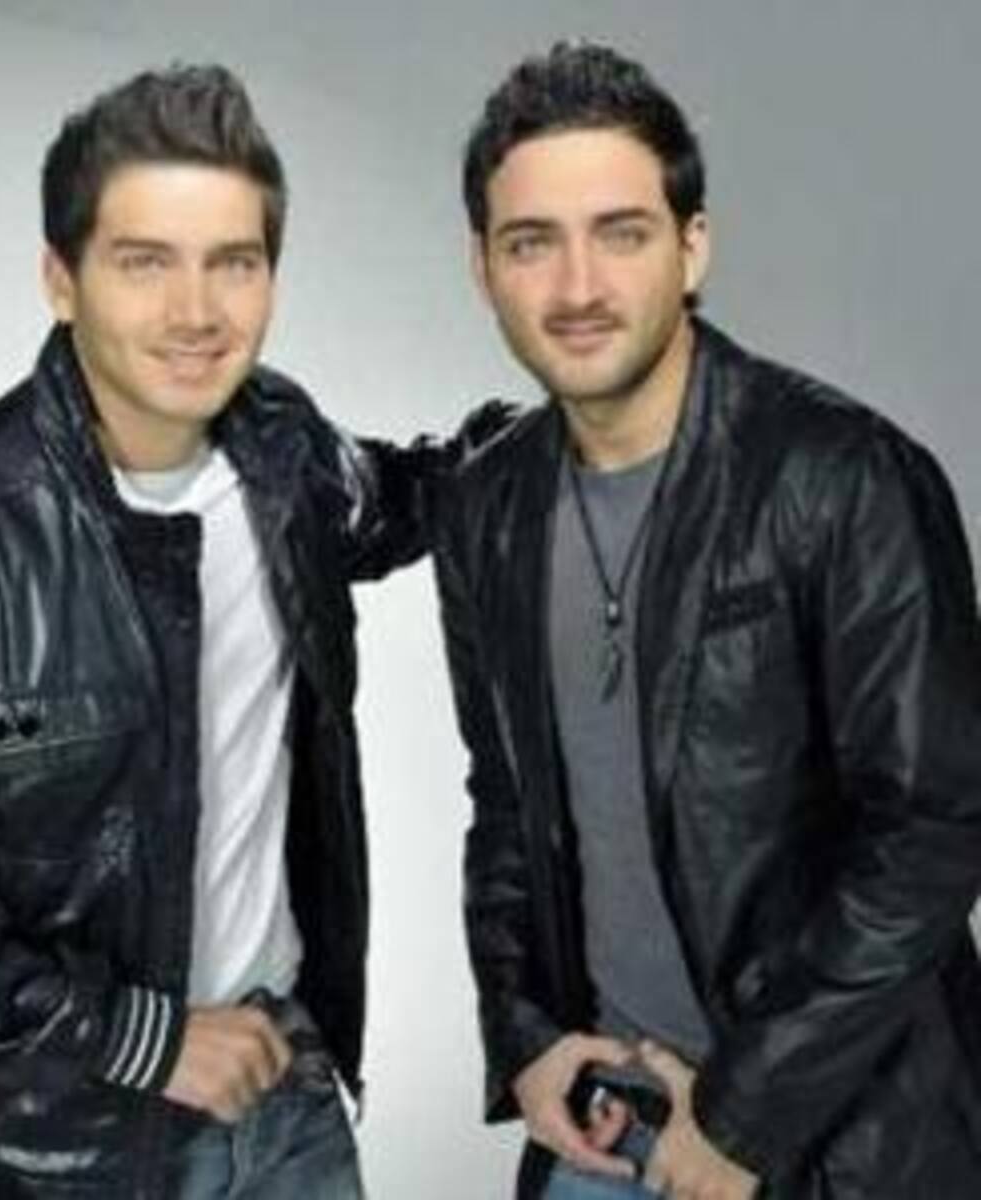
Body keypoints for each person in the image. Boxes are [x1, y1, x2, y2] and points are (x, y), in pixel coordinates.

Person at [0, 63, 439, 1198]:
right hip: (55, 1148)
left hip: (281, 1095)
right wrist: (138, 1038)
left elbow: (412, 495)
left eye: (234, 262)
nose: (197, 313)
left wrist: (594, 404)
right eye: (145, 263)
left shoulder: (284, 453)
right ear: (61, 278)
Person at [435, 39, 981, 1200]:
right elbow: (506, 805)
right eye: (532, 243)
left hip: (831, 1145)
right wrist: (523, 1035)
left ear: (692, 247)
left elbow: (931, 835)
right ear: (482, 267)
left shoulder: (845, 478)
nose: (577, 287)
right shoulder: (486, 506)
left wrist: (740, 1120)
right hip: (603, 1136)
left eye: (622, 233)